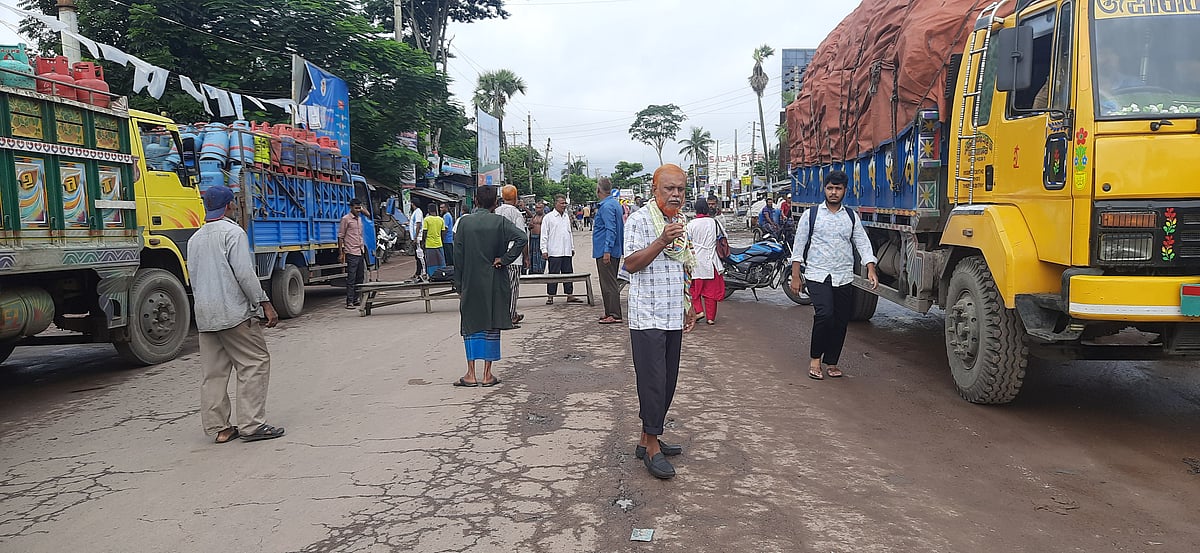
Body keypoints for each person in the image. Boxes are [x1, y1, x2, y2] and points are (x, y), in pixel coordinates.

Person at [188, 185, 284, 444]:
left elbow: (194, 277)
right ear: (230, 205)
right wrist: (264, 303)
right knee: (254, 362)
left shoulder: (195, 239)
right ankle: (252, 425)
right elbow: (244, 273)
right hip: (233, 313)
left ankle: (220, 429)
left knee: (214, 373)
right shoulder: (233, 233)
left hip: (206, 315)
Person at [623, 164, 696, 480]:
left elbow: (683, 265)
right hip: (647, 315)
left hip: (672, 313)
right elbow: (630, 264)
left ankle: (646, 437)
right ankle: (652, 446)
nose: (676, 194)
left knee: (668, 381)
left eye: (681, 189)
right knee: (653, 382)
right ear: (654, 190)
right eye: (669, 188)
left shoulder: (679, 221)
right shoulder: (639, 220)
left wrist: (688, 305)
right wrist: (661, 241)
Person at [789, 170, 879, 380]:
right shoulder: (811, 215)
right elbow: (799, 245)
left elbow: (862, 242)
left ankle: (832, 361)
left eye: (838, 188)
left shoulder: (851, 217)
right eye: (830, 188)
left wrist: (870, 267)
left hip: (843, 275)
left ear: (845, 191)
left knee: (840, 321)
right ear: (824, 189)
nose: (833, 192)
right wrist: (795, 275)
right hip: (817, 274)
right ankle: (815, 359)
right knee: (824, 314)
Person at [452, 185, 528, 388]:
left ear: (476, 201)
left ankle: (470, 373)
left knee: (471, 324)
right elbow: (522, 238)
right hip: (495, 278)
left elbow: (457, 256)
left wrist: (458, 284)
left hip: (470, 280)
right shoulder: (500, 222)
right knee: (491, 323)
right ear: (495, 202)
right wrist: (505, 259)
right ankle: (487, 374)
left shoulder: (464, 223)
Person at [686, 198, 725, 325]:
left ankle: (699, 311)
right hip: (712, 261)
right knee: (711, 291)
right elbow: (724, 237)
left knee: (694, 289)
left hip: (696, 261)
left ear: (695, 209)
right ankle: (710, 318)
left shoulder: (691, 224)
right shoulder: (715, 223)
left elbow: (686, 242)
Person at [592, 177, 625, 324]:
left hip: (605, 250)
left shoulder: (606, 207)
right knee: (608, 282)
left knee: (609, 283)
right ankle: (609, 311)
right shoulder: (615, 204)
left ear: (598, 189)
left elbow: (610, 229)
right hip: (612, 249)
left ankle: (614, 314)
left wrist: (607, 250)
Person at [496, 185, 529, 325]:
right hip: (514, 257)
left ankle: (502, 314)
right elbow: (522, 238)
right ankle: (511, 316)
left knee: (500, 288)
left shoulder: (495, 211)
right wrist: (526, 256)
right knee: (513, 287)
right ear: (515, 198)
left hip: (498, 256)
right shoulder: (516, 213)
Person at [541, 194, 581, 304]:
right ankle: (550, 296)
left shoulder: (566, 217)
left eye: (565, 203)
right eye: (562, 203)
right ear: (556, 204)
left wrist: (571, 247)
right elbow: (544, 235)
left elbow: (569, 233)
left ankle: (569, 295)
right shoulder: (548, 217)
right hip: (554, 251)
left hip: (566, 250)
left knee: (568, 273)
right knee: (553, 275)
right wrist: (544, 250)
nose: (564, 205)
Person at [338, 198, 367, 309]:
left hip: (360, 251)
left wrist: (362, 209)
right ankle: (349, 301)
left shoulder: (359, 219)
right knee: (351, 278)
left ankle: (356, 299)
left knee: (360, 277)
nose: (358, 210)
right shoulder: (346, 219)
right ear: (351, 207)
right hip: (351, 252)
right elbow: (340, 236)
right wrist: (341, 253)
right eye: (356, 208)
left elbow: (368, 214)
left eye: (359, 208)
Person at [423, 204, 446, 276]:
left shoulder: (426, 219)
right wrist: (441, 240)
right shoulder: (441, 219)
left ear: (428, 210)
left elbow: (425, 232)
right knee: (441, 261)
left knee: (431, 262)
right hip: (439, 244)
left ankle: (432, 275)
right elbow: (443, 232)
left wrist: (423, 242)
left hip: (430, 244)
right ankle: (442, 274)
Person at [409, 197, 426, 281]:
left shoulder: (418, 212)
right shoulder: (415, 212)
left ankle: (423, 272)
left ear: (413, 204)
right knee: (417, 256)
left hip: (418, 237)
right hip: (416, 237)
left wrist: (415, 237)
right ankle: (418, 272)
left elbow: (418, 225)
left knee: (420, 256)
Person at [529, 200, 547, 274]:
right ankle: (533, 270)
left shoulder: (545, 217)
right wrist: (530, 226)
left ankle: (540, 270)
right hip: (533, 238)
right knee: (533, 255)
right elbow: (529, 226)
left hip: (540, 238)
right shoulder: (534, 217)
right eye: (537, 207)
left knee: (540, 256)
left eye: (540, 208)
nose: (538, 209)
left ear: (543, 208)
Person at [440, 202, 455, 267]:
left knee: (448, 258)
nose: (440, 209)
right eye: (440, 207)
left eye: (442, 207)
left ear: (446, 208)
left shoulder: (446, 216)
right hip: (449, 239)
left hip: (447, 240)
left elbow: (445, 228)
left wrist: (442, 238)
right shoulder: (448, 215)